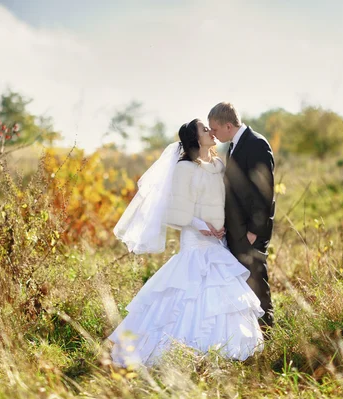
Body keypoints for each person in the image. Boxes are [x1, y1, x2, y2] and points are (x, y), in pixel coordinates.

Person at [108, 119, 264, 367]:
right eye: (205, 129)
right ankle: (179, 351)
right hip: (196, 239)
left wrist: (224, 227)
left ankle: (223, 352)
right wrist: (204, 226)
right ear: (195, 138)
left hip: (217, 241)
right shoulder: (184, 168)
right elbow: (175, 212)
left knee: (219, 292)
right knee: (188, 293)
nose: (211, 132)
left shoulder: (217, 165)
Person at [208, 102, 276, 330]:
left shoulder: (256, 144)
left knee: (257, 281)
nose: (213, 135)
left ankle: (268, 331)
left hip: (251, 231)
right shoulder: (235, 145)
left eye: (215, 129)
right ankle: (252, 331)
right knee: (245, 281)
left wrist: (253, 232)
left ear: (228, 125)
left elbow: (264, 192)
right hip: (239, 230)